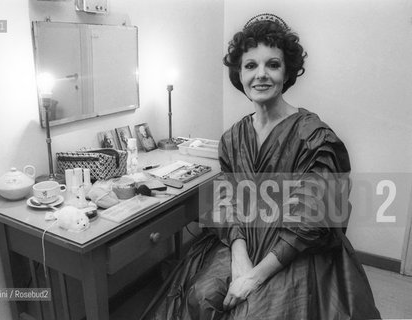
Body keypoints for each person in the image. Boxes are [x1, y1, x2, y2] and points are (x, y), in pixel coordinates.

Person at [141, 13, 381, 320]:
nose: (261, 75)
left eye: (273, 64)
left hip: (293, 248)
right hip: (244, 238)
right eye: (251, 65)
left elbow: (313, 219)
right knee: (201, 296)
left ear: (287, 72)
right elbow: (226, 202)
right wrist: (239, 258)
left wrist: (255, 276)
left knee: (255, 313)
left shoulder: (315, 137)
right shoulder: (233, 137)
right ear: (239, 74)